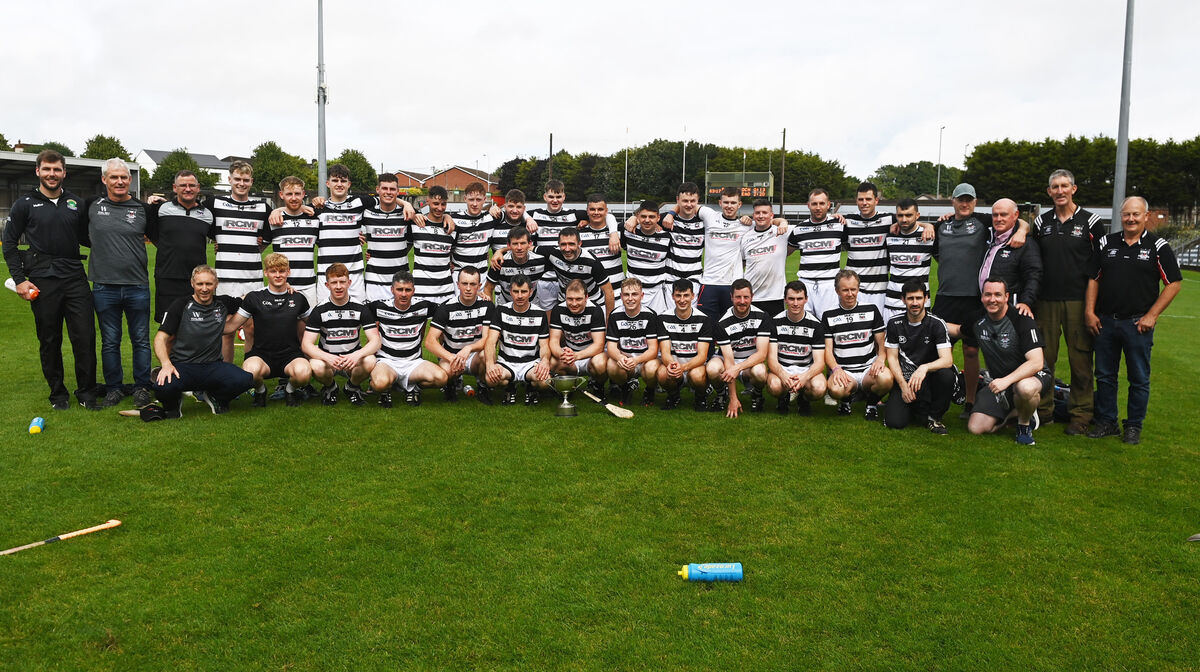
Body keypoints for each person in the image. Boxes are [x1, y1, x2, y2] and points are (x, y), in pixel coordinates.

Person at [1, 149, 101, 410]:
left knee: (85, 337)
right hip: (42, 280)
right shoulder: (24, 203)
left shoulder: (75, 203)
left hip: (75, 277)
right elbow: (9, 244)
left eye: (57, 169)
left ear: (64, 172)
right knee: (49, 339)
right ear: (38, 172)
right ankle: (58, 395)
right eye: (47, 169)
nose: (52, 174)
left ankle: (87, 394)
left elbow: (86, 238)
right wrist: (20, 280)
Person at [1085, 197, 1183, 445]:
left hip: (1137, 324)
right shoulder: (1107, 242)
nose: (1131, 219)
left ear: (1146, 216)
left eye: (1136, 215)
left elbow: (1174, 283)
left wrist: (1152, 315)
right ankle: (1108, 422)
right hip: (1106, 321)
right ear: (1121, 216)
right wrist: (1089, 311)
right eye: (1127, 214)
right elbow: (1093, 279)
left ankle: (1133, 425)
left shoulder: (1158, 246)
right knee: (1105, 375)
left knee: (1138, 378)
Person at [1032, 169, 1105, 435]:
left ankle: (1081, 414)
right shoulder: (1041, 222)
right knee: (1043, 360)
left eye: (1065, 186)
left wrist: (1091, 308)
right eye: (1055, 187)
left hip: (1078, 301)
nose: (1060, 191)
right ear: (1049, 192)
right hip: (1046, 302)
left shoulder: (1091, 221)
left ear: (1074, 189)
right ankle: (1042, 411)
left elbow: (1099, 268)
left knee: (1081, 361)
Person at [85, 158, 154, 408]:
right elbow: (82, 234)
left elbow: (159, 237)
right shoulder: (91, 206)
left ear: (130, 180)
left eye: (124, 177)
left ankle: (142, 387)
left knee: (141, 340)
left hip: (137, 286)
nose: (120, 181)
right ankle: (114, 388)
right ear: (104, 180)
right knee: (110, 341)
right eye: (114, 177)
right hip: (104, 287)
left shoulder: (143, 209)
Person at [150, 265, 255, 417]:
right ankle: (173, 405)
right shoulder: (180, 305)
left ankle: (216, 397)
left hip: (213, 366)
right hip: (183, 366)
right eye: (200, 284)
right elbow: (160, 338)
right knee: (162, 387)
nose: (204, 289)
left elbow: (250, 299)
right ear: (192, 283)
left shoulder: (223, 303)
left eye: (209, 284)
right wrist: (166, 365)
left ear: (216, 284)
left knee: (245, 380)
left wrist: (283, 289)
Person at [960, 278, 1053, 445]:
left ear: (1006, 297)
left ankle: (1024, 425)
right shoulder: (978, 319)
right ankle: (1015, 413)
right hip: (1000, 383)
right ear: (982, 297)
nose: (992, 299)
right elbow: (957, 331)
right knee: (976, 428)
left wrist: (1006, 381)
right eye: (988, 294)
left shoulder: (1022, 319)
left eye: (998, 294)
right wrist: (923, 319)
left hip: (1033, 376)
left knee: (1024, 388)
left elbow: (1036, 362)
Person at [225, 254, 313, 408]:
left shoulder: (298, 298)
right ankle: (260, 391)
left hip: (291, 355)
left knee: (304, 373)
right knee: (249, 373)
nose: (278, 275)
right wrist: (204, 328)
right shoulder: (254, 298)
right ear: (266, 273)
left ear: (288, 272)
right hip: (262, 355)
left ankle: (290, 390)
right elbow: (232, 326)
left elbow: (314, 324)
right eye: (273, 271)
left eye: (282, 271)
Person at [210, 159, 271, 362]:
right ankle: (227, 378)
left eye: (245, 180)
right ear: (229, 179)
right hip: (225, 279)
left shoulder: (262, 207)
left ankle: (250, 378)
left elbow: (270, 234)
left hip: (251, 279)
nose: (241, 183)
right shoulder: (215, 204)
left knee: (251, 328)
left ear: (251, 181)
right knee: (226, 331)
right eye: (237, 179)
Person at [302, 263, 380, 407]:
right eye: (334, 282)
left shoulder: (360, 307)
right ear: (327, 285)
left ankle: (352, 387)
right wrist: (327, 357)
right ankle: (331, 387)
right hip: (329, 360)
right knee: (315, 365)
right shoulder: (320, 310)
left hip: (352, 359)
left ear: (349, 283)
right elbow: (306, 344)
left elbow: (375, 341)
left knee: (370, 360)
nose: (338, 286)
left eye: (342, 282)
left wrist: (357, 355)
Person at [883, 281, 955, 434]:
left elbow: (947, 360)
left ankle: (934, 417)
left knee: (946, 375)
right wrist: (902, 386)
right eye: (910, 299)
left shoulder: (937, 324)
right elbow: (892, 358)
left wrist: (925, 367)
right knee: (894, 422)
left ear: (926, 298)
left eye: (918, 298)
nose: (915, 303)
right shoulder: (894, 324)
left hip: (928, 379)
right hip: (905, 380)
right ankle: (915, 408)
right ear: (903, 300)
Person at [145, 170, 214, 324]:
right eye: (183, 185)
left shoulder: (208, 214)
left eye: (191, 185)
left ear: (198, 188)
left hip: (197, 281)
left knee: (196, 327)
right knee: (168, 329)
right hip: (168, 278)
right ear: (175, 188)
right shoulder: (160, 209)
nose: (187, 189)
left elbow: (218, 237)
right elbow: (154, 236)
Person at [370, 271, 447, 407]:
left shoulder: (423, 307)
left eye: (408, 290)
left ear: (414, 290)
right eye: (399, 289)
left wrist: (479, 296)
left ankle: (413, 388)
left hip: (413, 363)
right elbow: (356, 310)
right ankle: (386, 388)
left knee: (441, 378)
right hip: (387, 361)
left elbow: (449, 309)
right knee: (379, 383)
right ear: (392, 290)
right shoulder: (379, 307)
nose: (404, 294)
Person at [823, 269, 892, 419]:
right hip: (845, 371)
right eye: (845, 290)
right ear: (837, 291)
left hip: (869, 369)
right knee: (835, 389)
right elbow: (827, 351)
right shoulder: (828, 315)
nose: (850, 294)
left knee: (886, 379)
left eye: (853, 289)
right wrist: (836, 369)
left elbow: (881, 344)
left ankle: (871, 405)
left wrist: (880, 359)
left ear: (858, 289)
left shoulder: (871, 310)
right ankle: (846, 401)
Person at [425, 267, 495, 402]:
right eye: (464, 284)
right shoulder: (445, 308)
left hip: (474, 356)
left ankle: (482, 386)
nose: (468, 288)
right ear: (458, 285)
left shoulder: (487, 306)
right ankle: (450, 385)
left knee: (485, 354)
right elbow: (430, 341)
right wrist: (451, 358)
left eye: (473, 284)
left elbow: (487, 338)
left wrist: (469, 348)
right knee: (444, 374)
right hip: (452, 355)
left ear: (479, 286)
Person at [707, 279, 773, 417]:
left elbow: (762, 354)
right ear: (731, 297)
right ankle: (722, 393)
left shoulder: (763, 316)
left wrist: (738, 368)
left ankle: (757, 394)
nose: (742, 301)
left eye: (746, 297)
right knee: (712, 369)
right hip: (727, 359)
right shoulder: (722, 323)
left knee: (760, 371)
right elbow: (729, 361)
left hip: (750, 360)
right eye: (738, 297)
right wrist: (733, 398)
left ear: (752, 297)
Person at [483, 274, 552, 405]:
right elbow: (491, 342)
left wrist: (545, 361)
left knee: (545, 382)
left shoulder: (540, 314)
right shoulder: (501, 311)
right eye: (516, 291)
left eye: (524, 292)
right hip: (506, 362)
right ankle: (509, 387)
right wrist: (490, 365)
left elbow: (544, 346)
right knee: (490, 379)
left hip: (531, 363)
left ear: (530, 292)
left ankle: (532, 387)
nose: (520, 296)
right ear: (510, 292)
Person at [766, 280, 827, 416]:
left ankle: (803, 399)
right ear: (785, 300)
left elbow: (819, 363)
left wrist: (804, 377)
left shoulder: (816, 325)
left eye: (799, 299)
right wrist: (783, 375)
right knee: (774, 386)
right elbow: (771, 359)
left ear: (806, 300)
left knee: (819, 388)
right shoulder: (774, 322)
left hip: (806, 369)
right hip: (783, 368)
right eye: (791, 299)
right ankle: (783, 398)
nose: (795, 303)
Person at [656, 279, 713, 411]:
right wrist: (672, 365)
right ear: (673, 296)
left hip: (695, 366)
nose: (682, 300)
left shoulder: (704, 319)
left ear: (693, 296)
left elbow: (702, 356)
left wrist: (684, 367)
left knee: (697, 376)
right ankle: (674, 396)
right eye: (678, 295)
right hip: (675, 366)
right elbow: (665, 352)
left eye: (686, 295)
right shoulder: (663, 318)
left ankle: (700, 397)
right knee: (662, 373)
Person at [979, 199, 1042, 318]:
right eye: (995, 215)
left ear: (1015, 215)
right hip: (986, 307)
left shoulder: (1026, 243)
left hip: (1011, 310)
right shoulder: (988, 237)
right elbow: (966, 214)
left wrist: (1026, 302)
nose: (998, 219)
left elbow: (1034, 275)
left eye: (1003, 214)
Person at [788, 188, 844, 321]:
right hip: (805, 284)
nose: (818, 207)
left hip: (829, 285)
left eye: (822, 203)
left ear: (828, 204)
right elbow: (784, 253)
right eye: (814, 204)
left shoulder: (839, 226)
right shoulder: (799, 230)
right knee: (804, 325)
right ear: (808, 205)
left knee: (829, 325)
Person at [264, 176, 320, 307]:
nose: (293, 198)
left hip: (309, 287)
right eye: (289, 194)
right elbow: (258, 248)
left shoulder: (314, 219)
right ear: (281, 195)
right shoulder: (274, 220)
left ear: (303, 194)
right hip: (282, 286)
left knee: (309, 326)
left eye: (297, 194)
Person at [605, 278, 662, 406]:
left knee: (651, 368)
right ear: (621, 296)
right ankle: (625, 388)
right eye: (626, 294)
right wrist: (620, 357)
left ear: (642, 296)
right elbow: (611, 347)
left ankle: (650, 390)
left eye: (634, 294)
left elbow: (653, 350)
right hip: (626, 358)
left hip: (645, 359)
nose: (630, 298)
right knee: (611, 365)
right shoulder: (615, 315)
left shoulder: (651, 315)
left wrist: (637, 360)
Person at [548, 279, 609, 392]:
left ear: (586, 297)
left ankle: (598, 385)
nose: (574, 303)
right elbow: (553, 341)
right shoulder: (558, 309)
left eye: (578, 299)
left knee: (600, 363)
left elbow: (599, 345)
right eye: (570, 299)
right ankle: (568, 386)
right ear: (565, 297)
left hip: (590, 356)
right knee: (552, 362)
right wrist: (562, 354)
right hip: (570, 356)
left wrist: (576, 355)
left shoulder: (595, 310)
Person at [363, 173, 413, 303]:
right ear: (377, 190)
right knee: (375, 321)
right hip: (374, 280)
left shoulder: (407, 214)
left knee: (402, 320)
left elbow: (413, 240)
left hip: (400, 281)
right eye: (384, 188)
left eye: (392, 189)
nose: (388, 192)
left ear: (398, 191)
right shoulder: (367, 213)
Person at [883, 198, 934, 321]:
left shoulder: (929, 236)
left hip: (919, 304)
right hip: (892, 303)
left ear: (917, 215)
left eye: (909, 215)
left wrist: (928, 225)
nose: (904, 219)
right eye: (900, 215)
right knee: (890, 340)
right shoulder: (890, 236)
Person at [740, 198, 792, 317]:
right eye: (757, 213)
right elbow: (741, 264)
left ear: (771, 215)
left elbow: (808, 227)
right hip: (752, 296)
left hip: (775, 296)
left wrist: (783, 222)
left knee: (774, 333)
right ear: (753, 215)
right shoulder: (746, 237)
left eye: (765, 212)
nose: (761, 216)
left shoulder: (782, 232)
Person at [545, 228, 614, 315]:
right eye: (563, 244)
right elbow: (529, 248)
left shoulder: (591, 262)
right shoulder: (553, 254)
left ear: (580, 243)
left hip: (592, 304)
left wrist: (608, 319)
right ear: (558, 244)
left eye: (571, 244)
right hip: (566, 303)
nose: (567, 249)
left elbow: (609, 291)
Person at [620, 200, 673, 315]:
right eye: (643, 216)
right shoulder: (628, 232)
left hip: (656, 293)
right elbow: (603, 221)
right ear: (638, 216)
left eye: (651, 217)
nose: (647, 220)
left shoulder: (667, 236)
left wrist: (671, 214)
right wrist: (632, 218)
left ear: (658, 218)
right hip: (632, 292)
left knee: (656, 329)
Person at [484, 226, 548, 304]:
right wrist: (490, 310)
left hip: (532, 305)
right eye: (515, 244)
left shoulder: (540, 260)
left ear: (530, 244)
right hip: (505, 305)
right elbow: (488, 288)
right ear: (509, 245)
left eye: (523, 243)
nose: (519, 247)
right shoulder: (500, 262)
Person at [578, 194, 625, 298]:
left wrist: (634, 218)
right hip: (592, 296)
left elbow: (640, 221)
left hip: (617, 293)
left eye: (600, 209)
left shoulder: (618, 232)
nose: (596, 213)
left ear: (606, 211)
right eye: (592, 209)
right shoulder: (579, 234)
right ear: (587, 211)